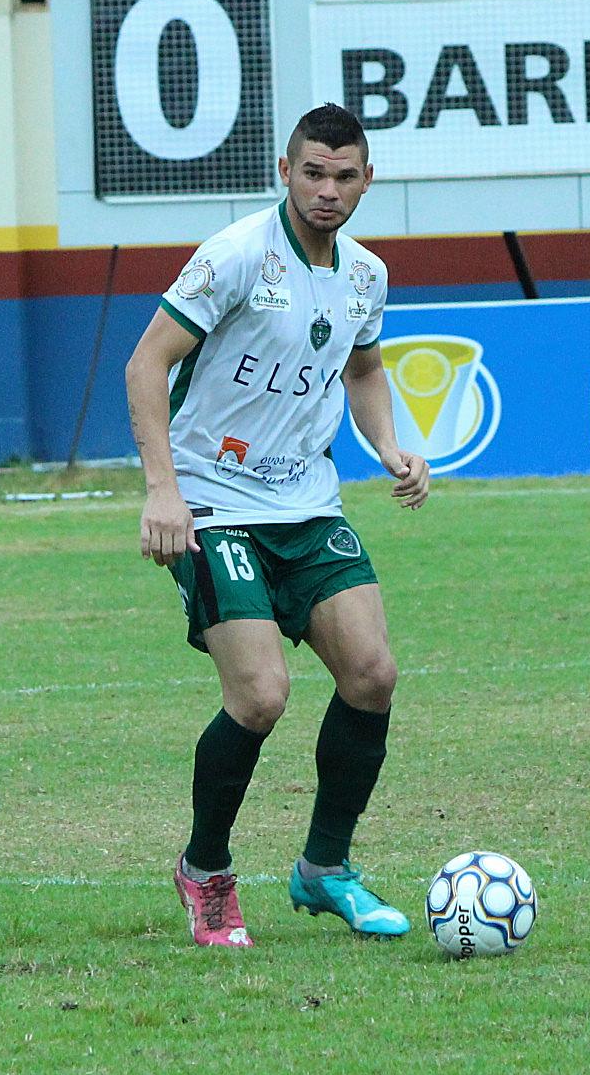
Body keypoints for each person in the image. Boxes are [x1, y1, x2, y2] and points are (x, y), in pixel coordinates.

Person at [124, 103, 430, 949]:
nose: (328, 190)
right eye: (313, 173)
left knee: (372, 674)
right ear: (286, 171)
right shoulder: (235, 255)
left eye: (344, 176)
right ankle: (206, 871)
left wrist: (390, 446)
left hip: (307, 503)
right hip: (214, 504)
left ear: (367, 182)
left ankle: (324, 869)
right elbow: (146, 363)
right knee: (260, 696)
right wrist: (163, 491)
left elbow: (362, 368)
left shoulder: (366, 275)